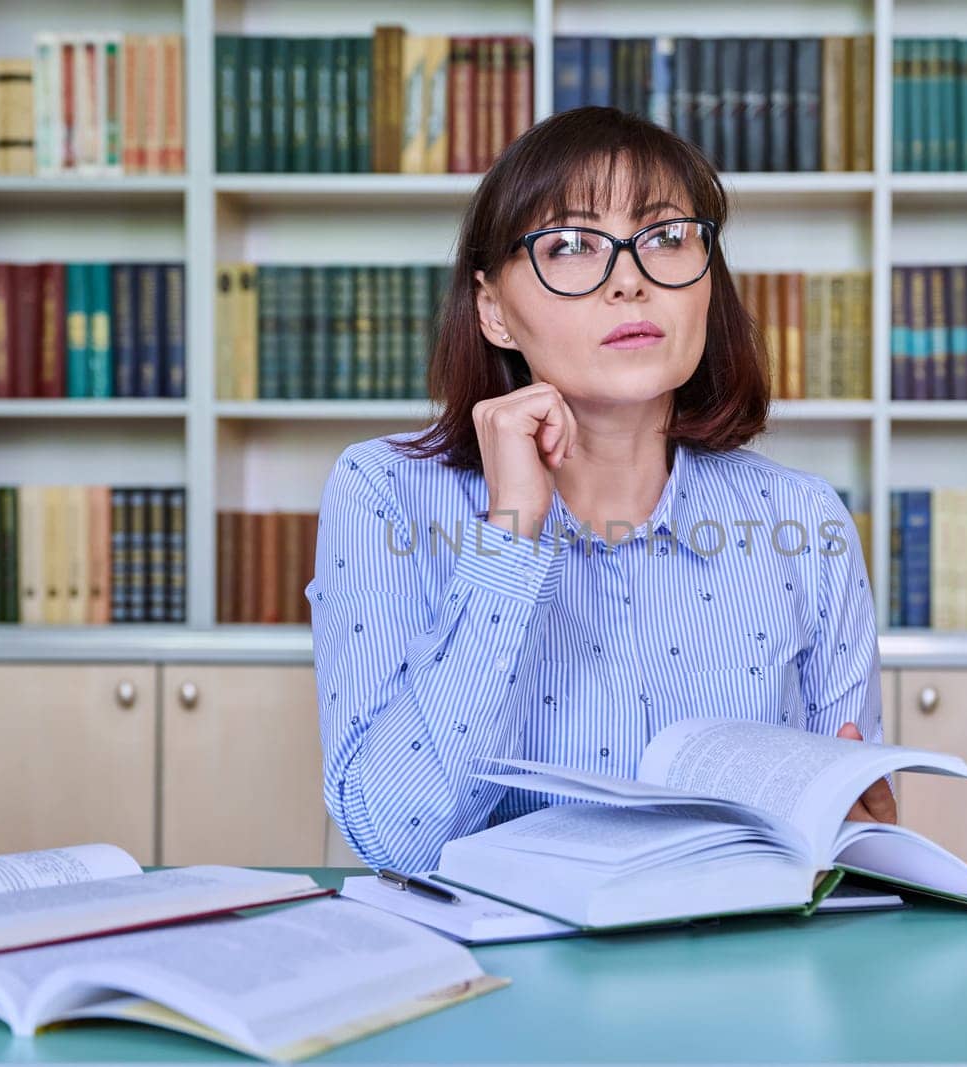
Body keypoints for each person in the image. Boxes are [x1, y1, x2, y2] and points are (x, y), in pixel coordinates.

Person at [307, 106, 894, 873]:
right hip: (502, 980)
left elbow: (852, 845)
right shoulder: (382, 493)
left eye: (666, 237)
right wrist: (510, 537)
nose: (630, 280)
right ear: (494, 311)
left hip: (737, 969)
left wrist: (860, 835)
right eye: (572, 245)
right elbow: (398, 838)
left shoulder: (803, 520)